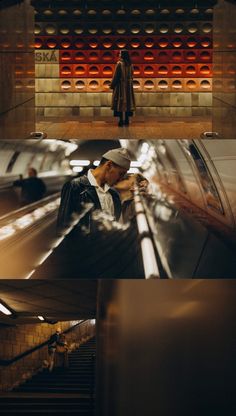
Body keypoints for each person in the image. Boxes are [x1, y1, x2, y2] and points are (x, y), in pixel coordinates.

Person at [57, 148, 131, 229]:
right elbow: (64, 226)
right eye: (120, 174)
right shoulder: (75, 187)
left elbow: (118, 227)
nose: (120, 179)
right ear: (109, 165)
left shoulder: (114, 195)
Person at [110, 49, 136, 127]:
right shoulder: (130, 64)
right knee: (128, 103)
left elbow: (116, 76)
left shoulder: (119, 64)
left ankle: (121, 121)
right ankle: (127, 120)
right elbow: (132, 75)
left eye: (120, 53)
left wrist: (112, 85)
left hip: (120, 87)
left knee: (120, 103)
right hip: (128, 87)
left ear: (123, 55)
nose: (119, 55)